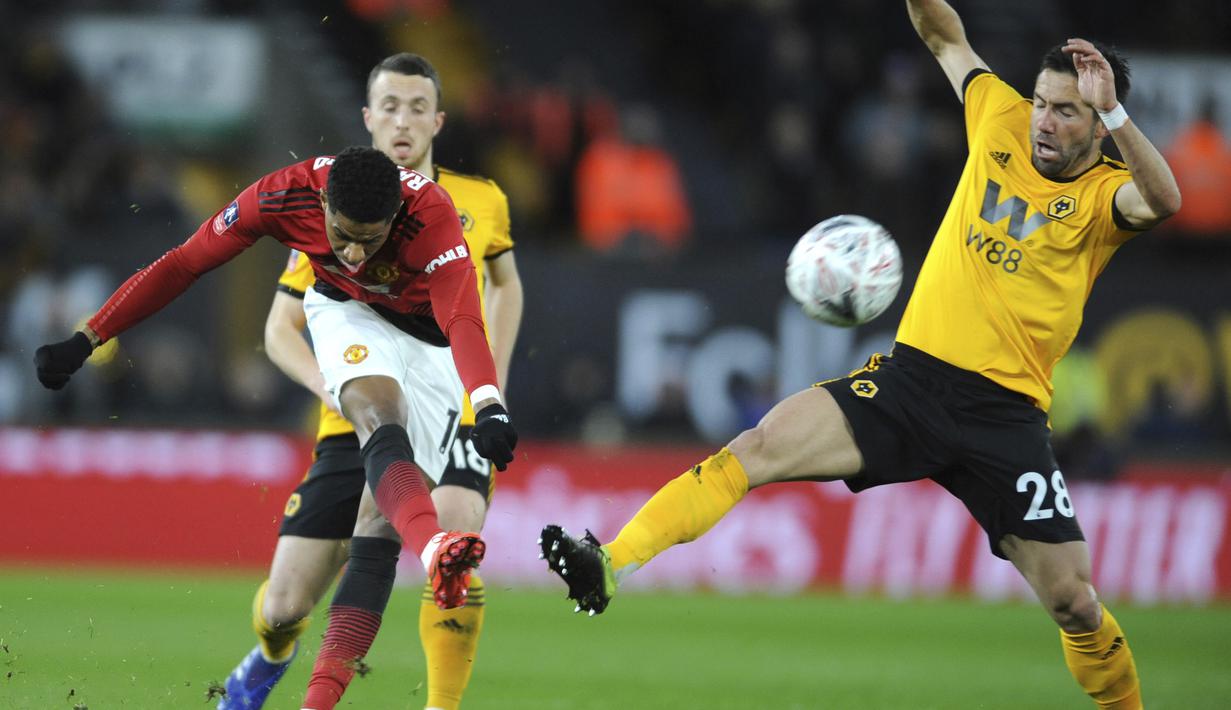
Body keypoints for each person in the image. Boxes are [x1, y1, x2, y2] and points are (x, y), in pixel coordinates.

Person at [538, 2, 1180, 709]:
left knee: (1075, 603)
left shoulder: (1103, 196)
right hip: (911, 383)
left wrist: (1115, 110)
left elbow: (1164, 199)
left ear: (1099, 124)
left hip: (1006, 417)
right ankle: (610, 561)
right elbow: (943, 34)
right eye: (1041, 103)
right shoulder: (998, 117)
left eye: (1066, 112)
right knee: (756, 446)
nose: (1044, 121)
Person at [32, 145, 519, 707]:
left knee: (379, 529)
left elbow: (463, 317)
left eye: (370, 239)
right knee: (377, 415)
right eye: (342, 235)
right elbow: (184, 263)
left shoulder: (431, 213)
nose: (354, 253)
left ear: (394, 216)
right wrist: (89, 336)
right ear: (324, 202)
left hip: (432, 350)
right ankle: (434, 548)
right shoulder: (282, 194)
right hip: (347, 313)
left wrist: (488, 404)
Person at [215, 54, 522, 710]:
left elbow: (505, 285)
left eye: (417, 108)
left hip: (447, 408)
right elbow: (280, 329)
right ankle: (270, 658)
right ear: (367, 118)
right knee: (284, 607)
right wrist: (332, 387)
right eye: (389, 107)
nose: (402, 121)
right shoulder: (331, 210)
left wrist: (488, 386)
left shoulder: (481, 203)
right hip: (355, 419)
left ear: (438, 121)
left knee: (455, 537)